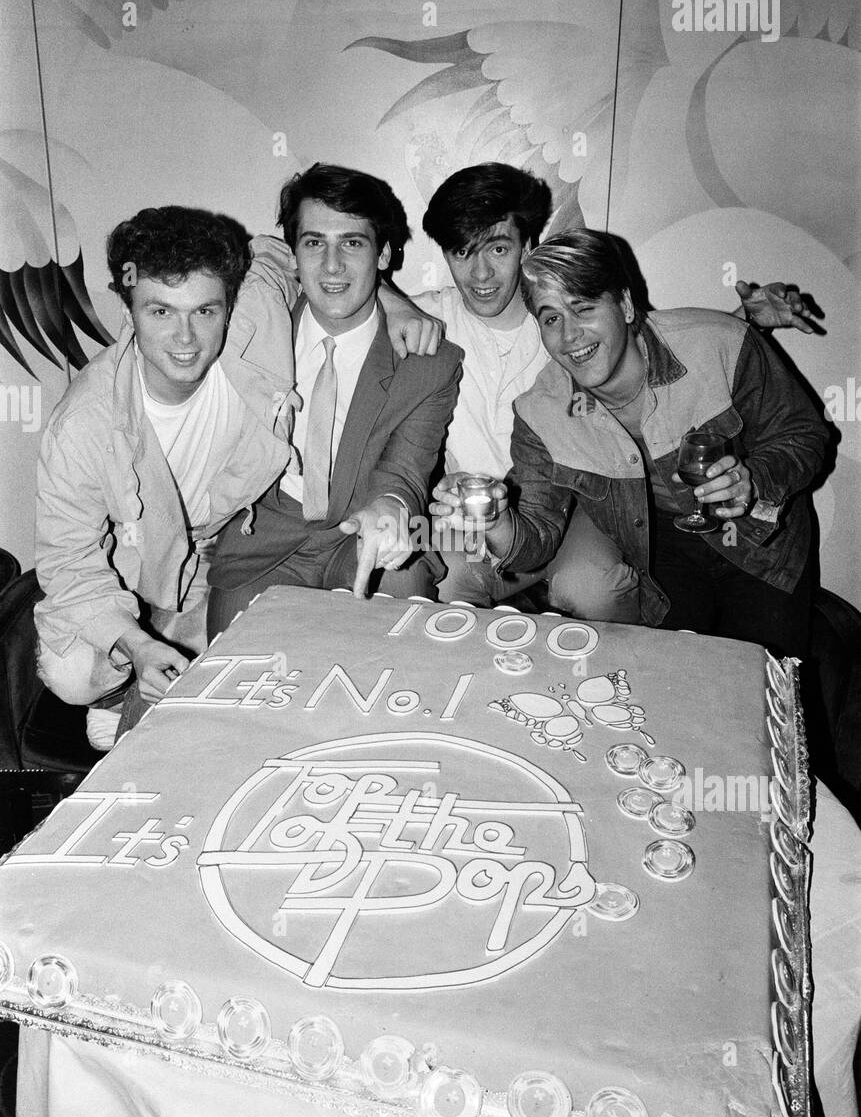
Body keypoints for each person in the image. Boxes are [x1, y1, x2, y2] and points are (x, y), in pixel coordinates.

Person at [35, 204, 441, 748]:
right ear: (128, 311)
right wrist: (132, 642)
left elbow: (292, 256)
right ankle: (124, 683)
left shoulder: (254, 309)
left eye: (205, 311)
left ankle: (171, 657)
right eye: (160, 312)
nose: (185, 338)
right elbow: (67, 561)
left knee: (258, 671)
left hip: (216, 550)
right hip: (136, 562)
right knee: (72, 670)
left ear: (230, 303)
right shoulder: (82, 424)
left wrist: (394, 303)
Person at [419, 162, 822, 617]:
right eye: (461, 252)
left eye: (496, 248)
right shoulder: (446, 338)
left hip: (747, 544)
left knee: (748, 661)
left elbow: (676, 352)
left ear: (526, 246)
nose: (481, 273)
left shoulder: (703, 341)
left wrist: (739, 327)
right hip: (623, 535)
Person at [205, 164, 463, 634]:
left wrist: (392, 507)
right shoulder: (250, 330)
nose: (331, 265)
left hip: (360, 534)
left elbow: (406, 466)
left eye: (352, 243)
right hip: (264, 541)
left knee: (401, 634)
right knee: (236, 687)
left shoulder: (429, 364)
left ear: (383, 255)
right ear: (295, 253)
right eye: (314, 243)